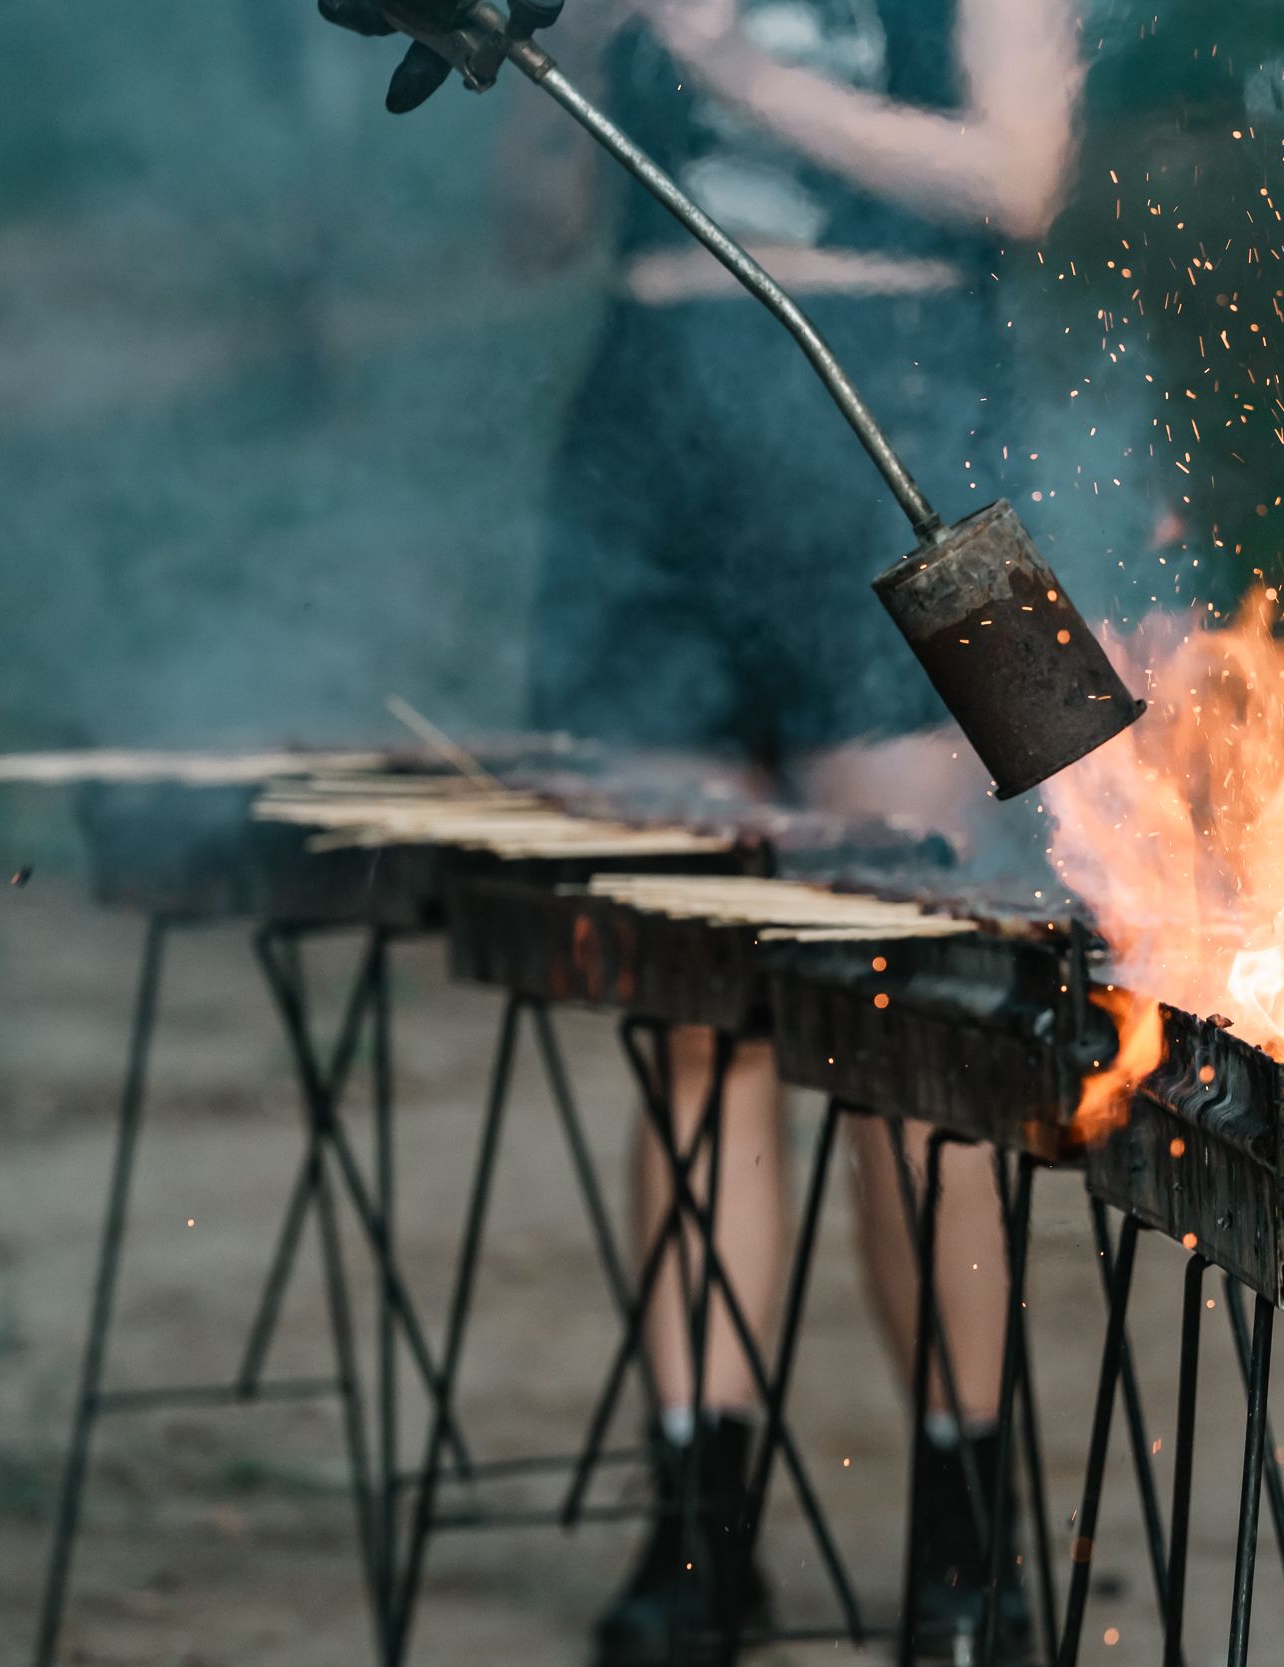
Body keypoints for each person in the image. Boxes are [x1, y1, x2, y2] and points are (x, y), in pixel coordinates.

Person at [499, 0, 1084, 1661]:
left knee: (929, 1029)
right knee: (688, 1012)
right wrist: (562, 60)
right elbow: (533, 237)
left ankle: (972, 1540)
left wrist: (736, 72)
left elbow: (1023, 181)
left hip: (909, 420)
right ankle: (697, 1534)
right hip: (648, 439)